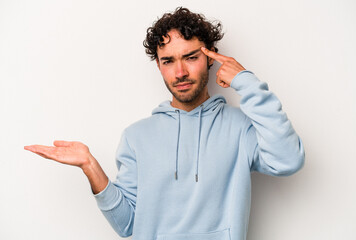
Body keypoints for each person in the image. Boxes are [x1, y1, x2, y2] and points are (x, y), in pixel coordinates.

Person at [24, 7, 305, 240]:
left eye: (191, 57)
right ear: (159, 65)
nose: (180, 72)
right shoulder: (137, 136)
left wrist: (246, 82)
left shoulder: (241, 128)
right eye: (168, 61)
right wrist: (90, 166)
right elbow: (127, 225)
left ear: (210, 58)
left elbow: (288, 160)